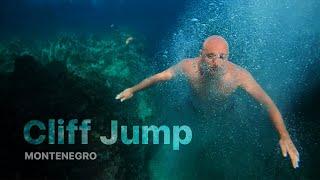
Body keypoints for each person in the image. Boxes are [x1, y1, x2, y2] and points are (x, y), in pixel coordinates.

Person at [115, 35, 300, 168]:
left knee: (219, 150)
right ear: (201, 54)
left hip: (224, 115)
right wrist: (133, 90)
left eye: (222, 57)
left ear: (228, 57)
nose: (216, 63)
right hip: (193, 110)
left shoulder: (238, 76)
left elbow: (267, 103)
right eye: (211, 56)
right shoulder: (188, 67)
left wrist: (284, 135)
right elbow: (160, 77)